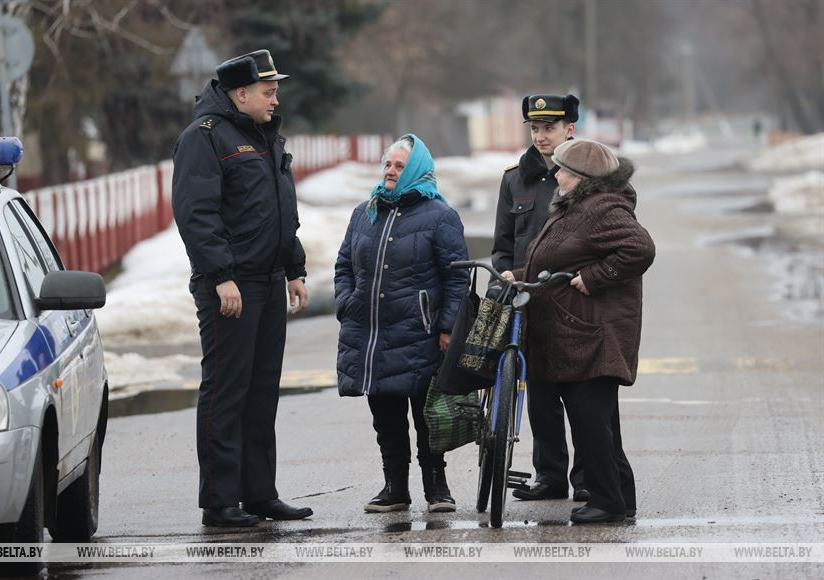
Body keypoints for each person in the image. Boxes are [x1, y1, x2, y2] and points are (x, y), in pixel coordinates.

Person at [171, 49, 313, 527]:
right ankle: (219, 501)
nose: (276, 100)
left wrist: (294, 268)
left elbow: (280, 209)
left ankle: (259, 494)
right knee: (226, 391)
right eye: (269, 92)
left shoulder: (265, 136)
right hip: (230, 286)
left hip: (269, 279)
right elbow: (196, 214)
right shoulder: (205, 138)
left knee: (261, 392)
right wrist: (220, 276)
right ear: (241, 93)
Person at [501, 138, 655, 523]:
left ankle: (608, 502)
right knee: (596, 424)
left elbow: (641, 248)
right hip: (574, 333)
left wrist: (595, 277)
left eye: (564, 169)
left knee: (591, 423)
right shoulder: (573, 208)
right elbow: (553, 262)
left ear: (583, 177)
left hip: (592, 333)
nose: (556, 174)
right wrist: (517, 276)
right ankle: (620, 498)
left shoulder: (602, 208)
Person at [334, 134, 470, 513]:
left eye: (399, 166)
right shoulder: (366, 212)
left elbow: (457, 278)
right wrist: (347, 303)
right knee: (386, 417)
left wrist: (446, 327)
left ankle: (437, 489)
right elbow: (344, 265)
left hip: (420, 333)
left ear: (417, 170)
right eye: (388, 165)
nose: (391, 172)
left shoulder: (440, 216)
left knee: (427, 417)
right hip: (372, 334)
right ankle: (395, 488)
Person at [492, 94, 590, 503]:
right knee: (542, 396)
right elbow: (500, 245)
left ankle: (586, 478)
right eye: (535, 128)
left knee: (582, 397)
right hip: (528, 302)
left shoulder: (586, 176)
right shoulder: (515, 178)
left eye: (549, 127)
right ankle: (549, 475)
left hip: (572, 299)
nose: (541, 135)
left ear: (570, 129)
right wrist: (504, 277)